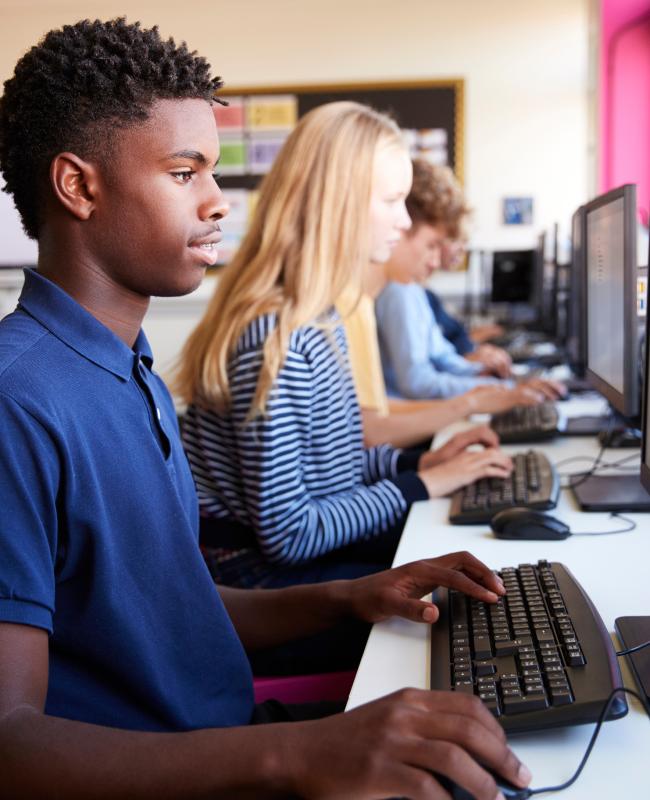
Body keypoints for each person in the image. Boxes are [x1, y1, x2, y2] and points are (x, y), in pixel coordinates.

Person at [0, 18, 533, 799]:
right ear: (79, 186)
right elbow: (10, 740)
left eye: (213, 172)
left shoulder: (131, 369)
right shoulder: (20, 401)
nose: (219, 203)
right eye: (185, 174)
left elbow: (171, 607)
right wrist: (298, 754)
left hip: (227, 735)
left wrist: (350, 595)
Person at [175, 101, 514, 590]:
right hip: (259, 580)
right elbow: (289, 534)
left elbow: (329, 468)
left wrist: (416, 463)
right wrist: (423, 485)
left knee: (481, 562)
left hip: (298, 556)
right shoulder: (279, 339)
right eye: (393, 200)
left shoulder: (322, 317)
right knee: (461, 600)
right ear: (340, 204)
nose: (403, 223)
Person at [375, 159, 565, 401]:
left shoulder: (411, 289)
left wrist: (485, 376)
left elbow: (443, 356)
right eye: (432, 245)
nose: (435, 261)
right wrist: (500, 391)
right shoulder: (397, 292)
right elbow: (417, 383)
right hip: (411, 420)